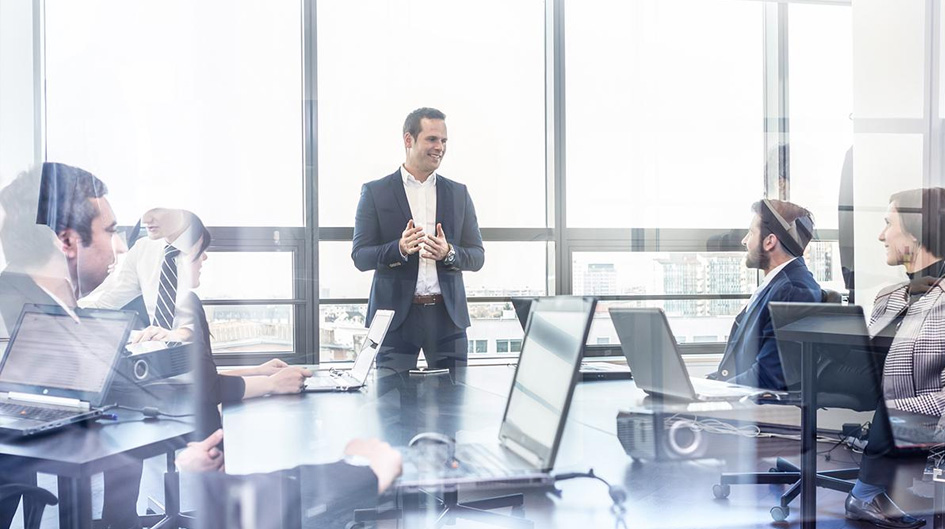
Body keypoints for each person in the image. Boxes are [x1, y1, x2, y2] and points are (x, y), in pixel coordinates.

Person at [0, 162, 140, 529]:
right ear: (65, 241)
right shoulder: (11, 308)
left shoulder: (55, 304)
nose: (119, 246)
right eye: (110, 231)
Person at [352, 107, 484, 372]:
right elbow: (360, 256)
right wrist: (398, 249)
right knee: (390, 408)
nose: (440, 147)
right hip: (395, 320)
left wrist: (449, 253)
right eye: (432, 139)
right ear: (408, 140)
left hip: (448, 318)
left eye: (444, 141)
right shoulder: (375, 192)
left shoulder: (459, 193)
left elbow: (477, 256)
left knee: (454, 405)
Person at [844, 188, 945, 529]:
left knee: (896, 404)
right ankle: (867, 492)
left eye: (889, 224)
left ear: (914, 233)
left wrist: (904, 407)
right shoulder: (890, 296)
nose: (881, 235)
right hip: (898, 416)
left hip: (929, 414)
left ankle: (866, 492)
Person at [710, 199, 821, 390]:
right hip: (742, 400)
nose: (745, 241)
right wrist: (703, 386)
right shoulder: (776, 285)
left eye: (751, 233)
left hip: (756, 409)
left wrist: (715, 393)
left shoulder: (793, 290)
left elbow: (770, 375)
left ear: (769, 241)